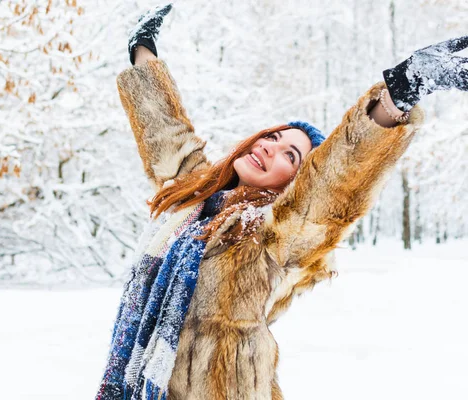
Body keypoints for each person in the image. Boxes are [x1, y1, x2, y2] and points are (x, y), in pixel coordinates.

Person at [96, 4, 468, 400]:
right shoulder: (197, 196)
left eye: (290, 156)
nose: (270, 148)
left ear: (293, 185)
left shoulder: (274, 236)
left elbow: (335, 182)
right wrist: (142, 51)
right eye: (273, 137)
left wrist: (397, 94)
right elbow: (164, 130)